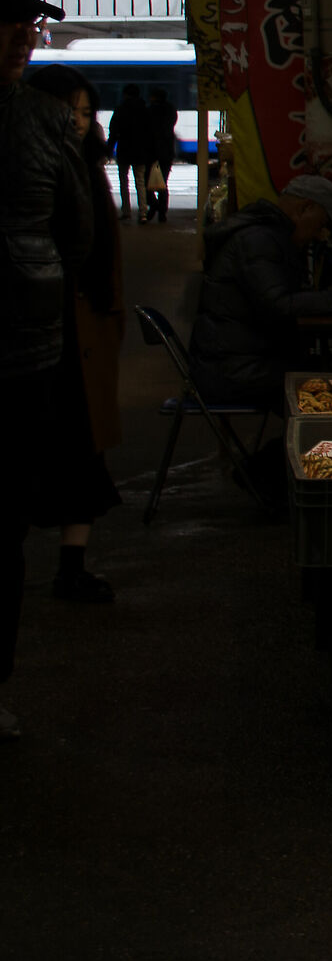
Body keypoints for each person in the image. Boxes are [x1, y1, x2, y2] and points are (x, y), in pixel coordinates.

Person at [0, 0, 95, 742]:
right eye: (24, 25)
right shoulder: (40, 120)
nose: (30, 38)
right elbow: (80, 231)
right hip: (24, 347)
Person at [27, 65, 125, 603]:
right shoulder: (28, 171)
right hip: (44, 334)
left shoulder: (91, 169)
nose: (80, 124)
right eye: (71, 113)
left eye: (86, 113)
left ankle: (72, 566)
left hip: (87, 332)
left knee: (84, 452)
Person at [187, 175, 332, 418]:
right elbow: (277, 304)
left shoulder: (267, 236)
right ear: (304, 208)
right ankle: (290, 454)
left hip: (233, 361)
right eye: (322, 224)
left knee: (323, 379)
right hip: (232, 370)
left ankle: (283, 453)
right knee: (325, 390)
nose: (321, 233)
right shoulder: (259, 240)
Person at [108, 85, 147, 220]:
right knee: (140, 181)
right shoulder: (145, 110)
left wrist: (109, 150)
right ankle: (143, 213)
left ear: (125, 95)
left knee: (124, 181)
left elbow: (113, 132)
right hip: (141, 151)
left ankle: (126, 211)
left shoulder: (120, 109)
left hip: (124, 150)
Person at [142, 85, 177, 222]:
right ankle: (162, 212)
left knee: (147, 182)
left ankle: (154, 205)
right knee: (163, 183)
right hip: (167, 152)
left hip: (152, 152)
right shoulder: (171, 110)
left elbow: (147, 131)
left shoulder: (150, 111)